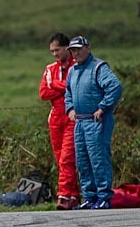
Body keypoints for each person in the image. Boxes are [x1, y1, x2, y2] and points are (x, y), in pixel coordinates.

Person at [64, 36, 123, 210]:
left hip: (96, 120)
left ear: (88, 48)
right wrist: (70, 109)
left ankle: (104, 196)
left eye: (78, 49)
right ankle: (89, 197)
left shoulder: (98, 67)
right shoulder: (73, 71)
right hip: (80, 121)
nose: (75, 54)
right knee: (82, 161)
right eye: (72, 51)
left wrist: (103, 107)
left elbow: (114, 87)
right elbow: (68, 93)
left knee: (98, 159)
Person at [39, 33, 79, 210]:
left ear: (66, 48)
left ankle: (63, 195)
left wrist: (56, 85)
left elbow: (75, 87)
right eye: (52, 51)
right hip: (55, 116)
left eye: (57, 50)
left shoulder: (77, 66)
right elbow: (43, 93)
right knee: (59, 157)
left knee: (67, 157)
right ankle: (74, 195)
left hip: (72, 115)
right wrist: (63, 88)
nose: (54, 54)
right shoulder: (50, 69)